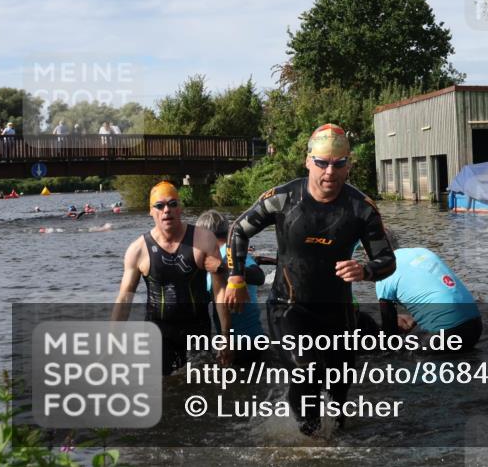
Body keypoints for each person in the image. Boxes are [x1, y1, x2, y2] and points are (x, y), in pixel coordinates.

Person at [224, 123, 396, 435]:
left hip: (338, 313)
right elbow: (238, 229)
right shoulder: (282, 198)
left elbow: (388, 261)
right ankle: (308, 441)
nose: (329, 172)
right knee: (307, 372)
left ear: (348, 166)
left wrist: (365, 271)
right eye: (322, 163)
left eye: (338, 164)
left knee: (340, 391)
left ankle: (331, 443)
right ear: (308, 161)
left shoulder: (362, 209)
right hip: (289, 307)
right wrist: (236, 278)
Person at [111, 181, 231, 375]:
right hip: (158, 332)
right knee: (163, 389)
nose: (167, 210)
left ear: (180, 208)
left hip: (197, 328)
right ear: (151, 211)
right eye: (160, 206)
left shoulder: (203, 239)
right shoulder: (138, 249)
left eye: (172, 204)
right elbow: (125, 298)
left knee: (200, 389)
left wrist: (225, 336)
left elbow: (219, 291)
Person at [366, 246, 482, 351]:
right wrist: (415, 320)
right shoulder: (422, 252)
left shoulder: (383, 277)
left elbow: (390, 335)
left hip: (446, 335)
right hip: (475, 327)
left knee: (395, 353)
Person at [196, 209, 266, 343]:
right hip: (253, 338)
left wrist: (223, 268)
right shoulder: (231, 256)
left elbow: (259, 277)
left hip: (242, 343)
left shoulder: (230, 256)